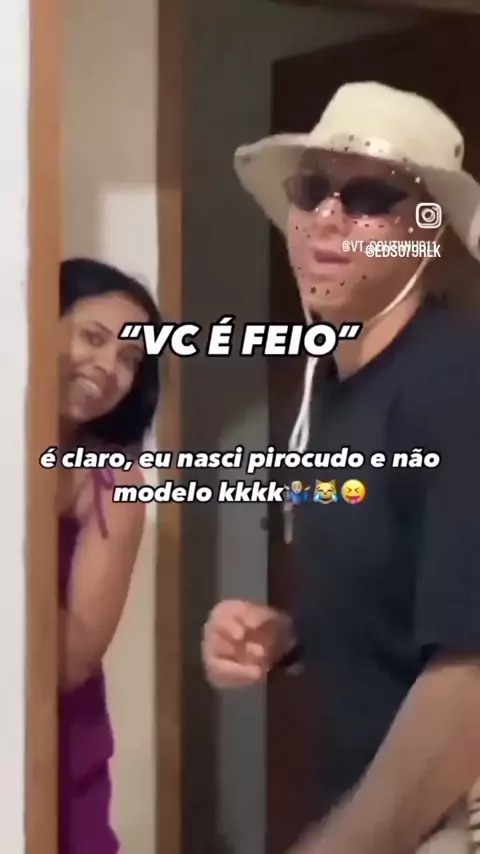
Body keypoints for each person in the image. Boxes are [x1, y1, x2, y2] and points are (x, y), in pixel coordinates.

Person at [201, 82, 480, 854]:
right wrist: (290, 636)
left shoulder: (455, 385)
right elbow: (406, 602)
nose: (328, 216)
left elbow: (467, 677)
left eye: (368, 197)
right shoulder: (329, 386)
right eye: (312, 189)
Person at [58, 258, 161, 854]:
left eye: (129, 359)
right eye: (93, 337)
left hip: (55, 744)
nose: (108, 367)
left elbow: (71, 659)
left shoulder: (113, 479)